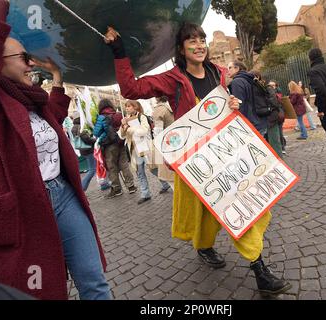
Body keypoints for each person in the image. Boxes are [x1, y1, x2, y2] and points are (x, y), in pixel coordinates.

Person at [104, 22, 291, 294]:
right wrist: (119, 52)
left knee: (242, 205)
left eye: (202, 39)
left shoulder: (219, 72)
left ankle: (227, 255)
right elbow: (131, 90)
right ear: (181, 48)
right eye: (191, 40)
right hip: (196, 161)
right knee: (215, 208)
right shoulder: (172, 78)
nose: (199, 44)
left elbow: (225, 109)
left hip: (227, 153)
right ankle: (256, 268)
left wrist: (233, 104)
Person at [0, 0, 111, 300]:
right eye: (24, 57)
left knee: (95, 283)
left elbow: (52, 118)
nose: (31, 63)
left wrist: (56, 78)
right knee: (43, 292)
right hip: (21, 208)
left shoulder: (30, 99)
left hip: (64, 196)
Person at [227, 61, 283, 157]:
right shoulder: (250, 79)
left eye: (230, 68)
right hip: (260, 120)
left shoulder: (237, 82)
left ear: (237, 68)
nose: (228, 71)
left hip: (249, 124)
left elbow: (240, 105)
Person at [94, 99, 137, 198]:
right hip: (121, 142)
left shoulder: (101, 117)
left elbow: (96, 133)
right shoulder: (118, 114)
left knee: (112, 167)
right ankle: (131, 187)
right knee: (124, 164)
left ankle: (117, 189)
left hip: (109, 145)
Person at [118, 100, 153, 205]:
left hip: (145, 147)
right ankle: (145, 194)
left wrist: (128, 128)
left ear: (135, 106)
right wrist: (123, 126)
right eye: (126, 106)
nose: (127, 108)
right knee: (140, 173)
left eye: (129, 106)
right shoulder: (125, 120)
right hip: (134, 149)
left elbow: (143, 131)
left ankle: (165, 184)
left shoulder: (142, 117)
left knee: (154, 169)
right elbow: (121, 135)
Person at [151, 96, 174, 193]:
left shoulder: (159, 110)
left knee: (170, 177)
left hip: (166, 146)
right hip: (177, 142)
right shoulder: (171, 105)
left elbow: (158, 132)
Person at [71, 116, 97, 191]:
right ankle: (82, 187)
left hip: (83, 150)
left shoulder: (74, 127)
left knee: (93, 168)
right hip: (88, 149)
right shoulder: (80, 127)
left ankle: (104, 183)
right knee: (92, 169)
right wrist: (94, 140)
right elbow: (86, 139)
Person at [269, 80, 287, 155]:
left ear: (276, 86)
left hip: (279, 116)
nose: (272, 87)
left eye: (273, 85)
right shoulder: (271, 93)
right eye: (270, 85)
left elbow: (278, 105)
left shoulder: (278, 94)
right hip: (275, 116)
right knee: (277, 133)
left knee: (280, 133)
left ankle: (282, 148)